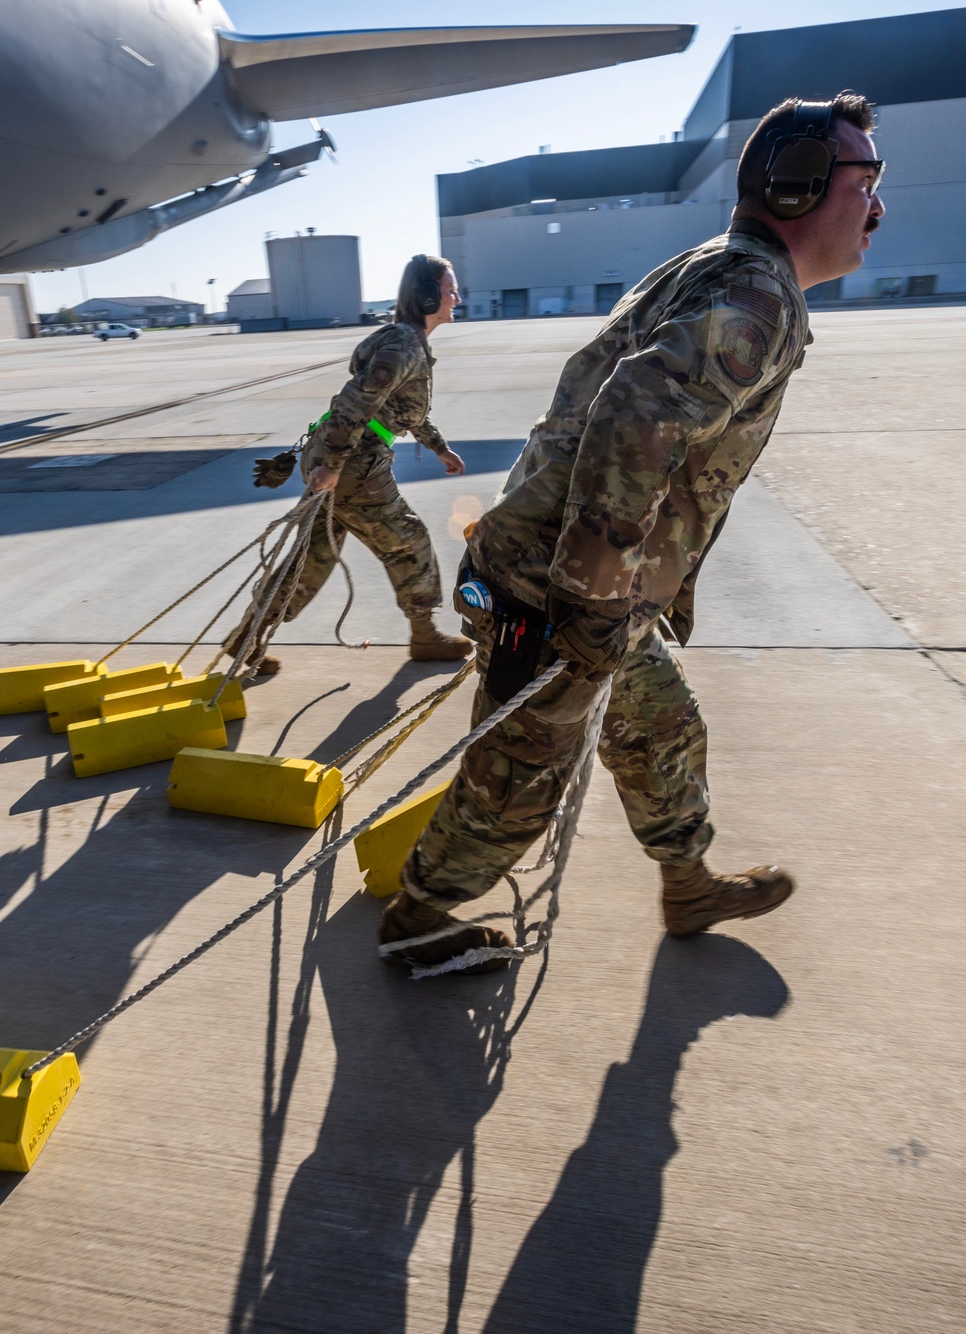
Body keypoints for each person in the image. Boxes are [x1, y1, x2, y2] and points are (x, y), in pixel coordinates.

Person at [381, 94, 887, 974]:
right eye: (865, 180)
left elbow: (653, 445)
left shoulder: (725, 270)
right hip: (564, 585)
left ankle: (686, 882)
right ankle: (420, 913)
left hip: (587, 577)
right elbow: (635, 417)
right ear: (800, 188)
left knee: (660, 722)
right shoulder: (755, 298)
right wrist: (588, 597)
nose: (879, 206)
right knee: (521, 770)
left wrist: (656, 591)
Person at [228, 255, 474, 677]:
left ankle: (247, 637)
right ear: (428, 295)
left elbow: (401, 410)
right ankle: (424, 634)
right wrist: (335, 466)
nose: (457, 297)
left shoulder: (409, 343)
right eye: (450, 290)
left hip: (342, 459)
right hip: (355, 465)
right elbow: (354, 402)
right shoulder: (404, 346)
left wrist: (439, 448)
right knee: (408, 540)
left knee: (313, 558)